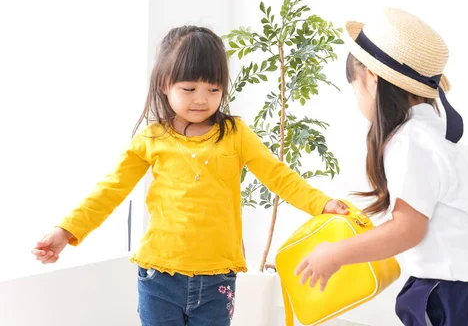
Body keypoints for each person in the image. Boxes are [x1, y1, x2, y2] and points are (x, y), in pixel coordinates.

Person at [32, 25, 347, 326]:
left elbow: (279, 176)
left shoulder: (236, 134)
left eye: (213, 88)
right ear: (164, 84)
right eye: (189, 88)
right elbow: (109, 191)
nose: (202, 98)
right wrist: (65, 231)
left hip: (217, 278)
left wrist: (322, 204)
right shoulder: (152, 138)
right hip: (158, 277)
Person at [295, 8, 468, 326]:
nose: (355, 98)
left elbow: (407, 230)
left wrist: (336, 254)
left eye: (354, 87)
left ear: (372, 79)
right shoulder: (431, 131)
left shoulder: (411, 140)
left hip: (461, 289)